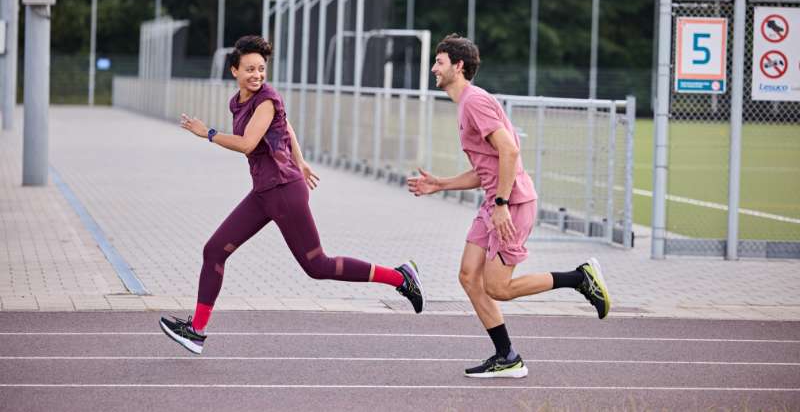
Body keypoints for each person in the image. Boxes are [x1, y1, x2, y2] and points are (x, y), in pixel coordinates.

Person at [160, 35, 424, 354]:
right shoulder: (237, 102)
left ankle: (400, 278)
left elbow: (247, 143)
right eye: (250, 69)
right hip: (264, 193)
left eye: (261, 68)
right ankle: (196, 331)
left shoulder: (266, 100)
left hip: (284, 192)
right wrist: (300, 160)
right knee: (214, 250)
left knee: (318, 265)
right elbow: (286, 127)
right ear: (234, 71)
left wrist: (209, 133)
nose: (257, 75)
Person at [407, 34, 610, 378]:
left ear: (459, 66)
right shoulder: (467, 104)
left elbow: (510, 151)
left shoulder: (474, 102)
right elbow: (485, 168)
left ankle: (580, 278)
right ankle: (507, 356)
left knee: (498, 288)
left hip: (511, 203)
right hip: (494, 201)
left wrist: (501, 203)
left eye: (439, 62)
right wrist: (441, 184)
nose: (433, 69)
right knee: (468, 276)